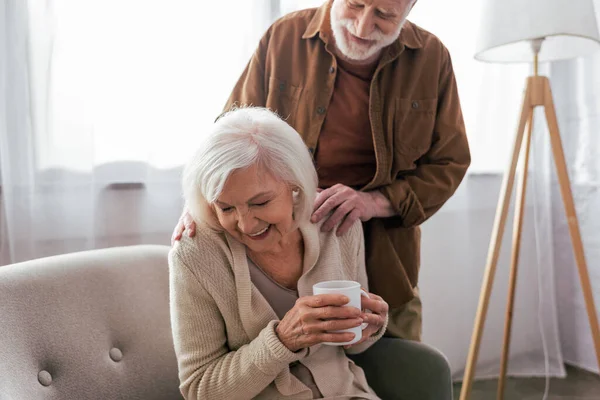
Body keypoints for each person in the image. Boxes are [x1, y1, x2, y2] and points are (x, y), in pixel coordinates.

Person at [173, 0, 470, 343]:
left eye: (384, 15)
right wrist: (201, 200)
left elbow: (450, 161)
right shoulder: (283, 37)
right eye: (355, 4)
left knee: (400, 366)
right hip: (283, 252)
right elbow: (228, 137)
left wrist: (374, 202)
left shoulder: (432, 58)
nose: (361, 27)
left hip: (387, 258)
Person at [169, 107, 452, 400]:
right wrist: (282, 340)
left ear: (295, 184)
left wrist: (367, 325)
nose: (245, 223)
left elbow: (352, 347)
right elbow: (199, 389)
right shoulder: (196, 253)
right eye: (226, 207)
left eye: (260, 202)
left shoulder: (335, 222)